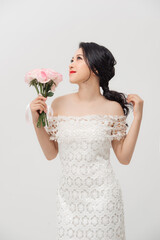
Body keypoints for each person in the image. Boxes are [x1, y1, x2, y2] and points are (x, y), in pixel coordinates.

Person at [30, 42, 144, 240]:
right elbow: (51, 153)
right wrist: (36, 119)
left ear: (96, 68)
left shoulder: (113, 109)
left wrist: (138, 117)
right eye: (71, 59)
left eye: (79, 58)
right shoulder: (58, 104)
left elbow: (124, 158)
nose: (72, 63)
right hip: (68, 202)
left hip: (104, 200)